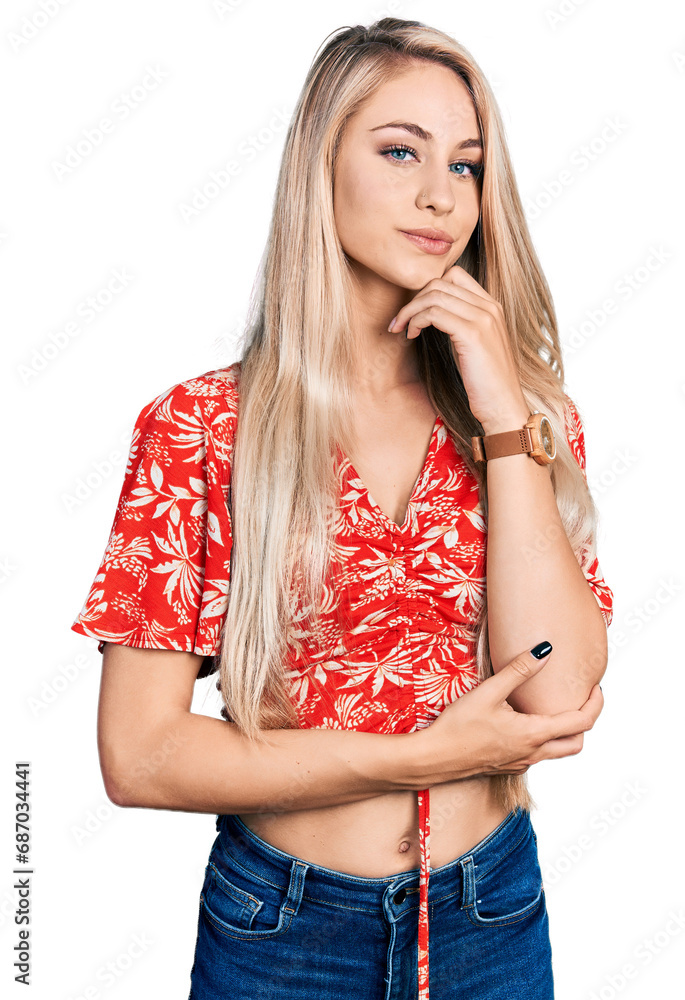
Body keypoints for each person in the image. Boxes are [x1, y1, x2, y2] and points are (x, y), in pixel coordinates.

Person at [70, 17, 614, 1000]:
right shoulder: (202, 427)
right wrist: (416, 756)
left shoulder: (527, 421)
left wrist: (500, 418)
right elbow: (141, 754)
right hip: (282, 932)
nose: (439, 195)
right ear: (321, 165)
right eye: (399, 150)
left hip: (490, 918)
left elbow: (554, 692)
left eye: (467, 164)